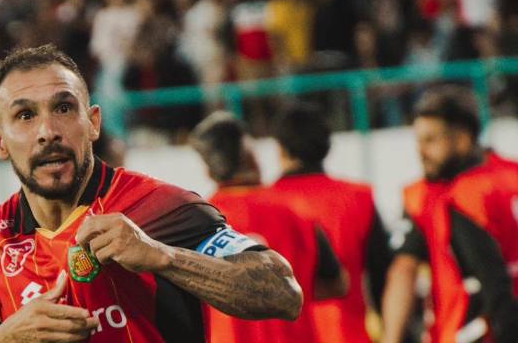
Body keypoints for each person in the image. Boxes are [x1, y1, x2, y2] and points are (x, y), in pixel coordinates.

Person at [0, 44, 303, 343]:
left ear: (93, 122)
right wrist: (6, 340)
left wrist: (163, 257)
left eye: (63, 108)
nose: (47, 130)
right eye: (25, 116)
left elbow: (282, 292)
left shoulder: (159, 207)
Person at [190, 111, 348, 343]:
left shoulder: (194, 222)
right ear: (253, 157)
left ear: (208, 170)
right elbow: (338, 284)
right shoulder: (296, 209)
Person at [381, 86, 518, 343]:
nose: (420, 152)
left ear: (463, 138)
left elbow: (403, 271)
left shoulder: (451, 197)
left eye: (431, 140)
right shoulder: (511, 175)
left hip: (477, 330)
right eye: (418, 141)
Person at [268, 101, 392, 343]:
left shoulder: (266, 204)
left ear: (281, 150)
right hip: (351, 333)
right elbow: (382, 276)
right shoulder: (359, 198)